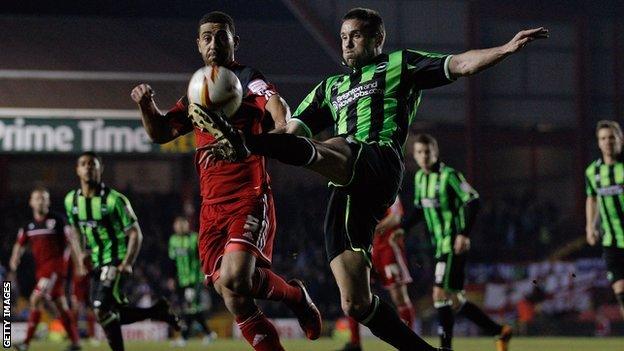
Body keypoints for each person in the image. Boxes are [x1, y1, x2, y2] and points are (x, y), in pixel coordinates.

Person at [195, 7, 546, 351]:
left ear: (378, 38)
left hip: (379, 160)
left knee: (332, 146)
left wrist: (505, 48)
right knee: (356, 303)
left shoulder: (400, 64)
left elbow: (460, 63)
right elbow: (290, 132)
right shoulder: (328, 88)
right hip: (346, 189)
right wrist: (257, 141)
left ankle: (249, 144)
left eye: (356, 36)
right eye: (344, 37)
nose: (347, 44)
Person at [131, 11, 321, 351]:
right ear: (198, 45)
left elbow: (278, 108)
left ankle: (294, 296)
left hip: (248, 196)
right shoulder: (197, 89)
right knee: (232, 296)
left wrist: (279, 127)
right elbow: (161, 132)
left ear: (234, 42)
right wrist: (147, 105)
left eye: (221, 36)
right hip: (211, 207)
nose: (214, 43)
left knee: (235, 277)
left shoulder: (248, 78)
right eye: (207, 37)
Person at [403, 134, 512, 351]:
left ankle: (446, 347)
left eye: (428, 151)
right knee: (454, 300)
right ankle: (499, 331)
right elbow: (418, 209)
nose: (424, 156)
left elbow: (473, 200)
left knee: (439, 293)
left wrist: (463, 234)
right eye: (420, 152)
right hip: (437, 246)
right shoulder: (420, 179)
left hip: (452, 245)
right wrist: (401, 229)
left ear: (436, 152)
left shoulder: (449, 176)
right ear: (414, 156)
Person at [64, 152, 179, 351]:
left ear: (101, 169)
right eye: (83, 164)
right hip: (96, 262)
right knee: (108, 312)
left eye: (93, 164)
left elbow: (136, 234)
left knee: (101, 309)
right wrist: (81, 252)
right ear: (77, 170)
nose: (88, 167)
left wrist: (126, 262)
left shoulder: (114, 200)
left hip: (115, 260)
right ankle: (157, 311)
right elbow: (75, 229)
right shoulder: (71, 200)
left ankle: (156, 312)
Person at [10, 187, 84, 351]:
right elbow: (19, 244)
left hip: (56, 269)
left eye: (44, 198)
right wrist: (15, 258)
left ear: (48, 202)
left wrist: (79, 263)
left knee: (35, 299)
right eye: (37, 198)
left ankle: (25, 343)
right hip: (41, 270)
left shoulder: (58, 220)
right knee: (61, 305)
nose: (41, 201)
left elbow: (73, 241)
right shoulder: (29, 226)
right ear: (31, 202)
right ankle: (76, 342)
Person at [340, 196, 415, 351]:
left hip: (388, 249)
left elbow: (395, 217)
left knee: (399, 296)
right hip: (367, 248)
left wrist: (373, 228)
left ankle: (409, 344)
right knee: (353, 293)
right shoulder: (360, 191)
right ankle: (355, 344)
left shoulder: (389, 188)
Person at [585, 120, 624, 319]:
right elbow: (592, 199)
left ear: (620, 139)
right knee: (621, 293)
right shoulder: (593, 172)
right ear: (598, 143)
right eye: (603, 138)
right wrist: (590, 227)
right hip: (612, 241)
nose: (607, 142)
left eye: (611, 137)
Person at [168, 216, 216, 346]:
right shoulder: (173, 240)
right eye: (177, 225)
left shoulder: (194, 238)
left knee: (190, 308)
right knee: (191, 309)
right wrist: (172, 278)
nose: (179, 227)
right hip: (181, 280)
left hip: (194, 279)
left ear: (187, 225)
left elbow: (203, 257)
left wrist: (206, 274)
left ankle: (184, 338)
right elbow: (172, 261)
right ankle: (209, 334)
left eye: (182, 224)